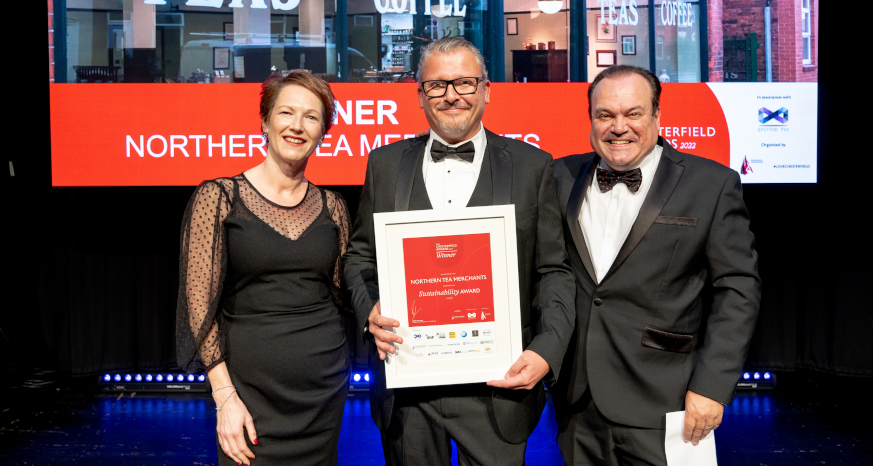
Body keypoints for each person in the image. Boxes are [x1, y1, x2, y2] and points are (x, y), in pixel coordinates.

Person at [342, 37, 575, 465]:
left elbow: (553, 271)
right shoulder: (385, 164)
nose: (451, 95)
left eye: (465, 82)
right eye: (437, 85)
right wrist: (369, 309)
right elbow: (359, 256)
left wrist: (547, 348)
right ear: (420, 95)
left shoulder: (532, 165)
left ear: (486, 89)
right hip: (408, 387)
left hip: (498, 388)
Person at [550, 65, 761, 465]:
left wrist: (712, 386)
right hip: (578, 401)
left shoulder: (711, 184)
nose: (619, 127)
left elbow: (738, 291)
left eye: (633, 113)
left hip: (668, 399)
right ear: (591, 118)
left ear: (657, 115)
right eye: (605, 115)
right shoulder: (559, 176)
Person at [176, 71, 351, 466]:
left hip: (322, 393)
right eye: (286, 112)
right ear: (265, 122)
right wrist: (224, 396)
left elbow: (348, 294)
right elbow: (198, 309)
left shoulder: (334, 206)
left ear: (323, 132)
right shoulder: (218, 198)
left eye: (311, 117)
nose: (297, 125)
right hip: (248, 395)